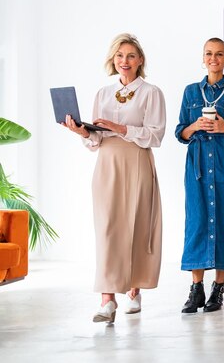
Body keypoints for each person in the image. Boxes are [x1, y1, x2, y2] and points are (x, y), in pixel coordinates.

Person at [63, 33, 166, 323]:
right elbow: (95, 138)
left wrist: (121, 129)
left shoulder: (151, 92)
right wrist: (84, 132)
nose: (125, 61)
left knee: (136, 224)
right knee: (107, 227)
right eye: (120, 55)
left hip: (137, 160)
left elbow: (155, 135)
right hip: (107, 162)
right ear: (113, 59)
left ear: (140, 60)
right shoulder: (103, 93)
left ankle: (133, 289)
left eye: (131, 55)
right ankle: (107, 299)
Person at [175, 38, 224, 314]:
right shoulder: (190, 92)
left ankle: (218, 289)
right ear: (203, 58)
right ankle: (196, 288)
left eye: (219, 54)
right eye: (209, 54)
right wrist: (194, 125)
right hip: (197, 166)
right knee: (197, 221)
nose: (214, 58)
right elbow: (180, 133)